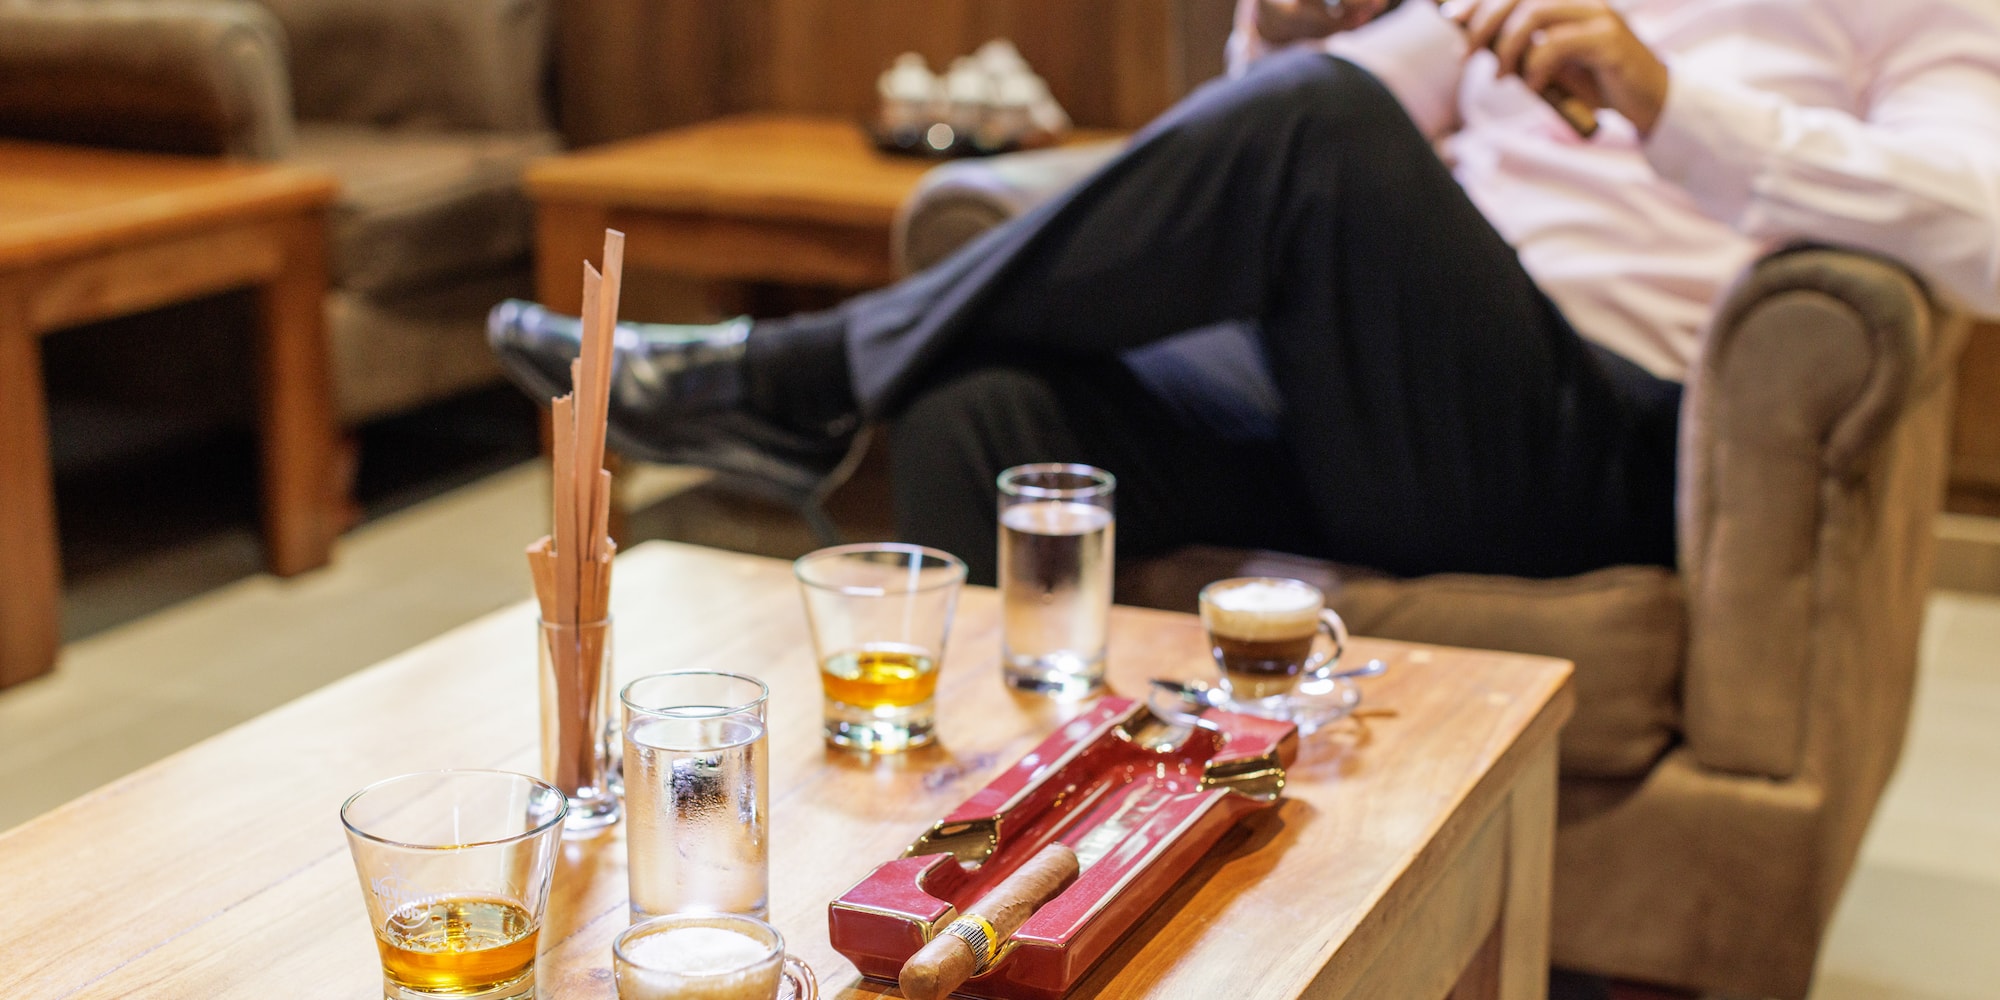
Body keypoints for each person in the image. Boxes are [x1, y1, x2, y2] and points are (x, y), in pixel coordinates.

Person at [491, 0, 2000, 586]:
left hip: (1602, 442)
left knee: (1329, 135)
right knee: (989, 401)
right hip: (1387, 404)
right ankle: (977, 854)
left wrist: (1677, 106)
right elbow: (1321, 109)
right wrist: (1272, 37)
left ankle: (792, 374)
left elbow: (1982, 224)